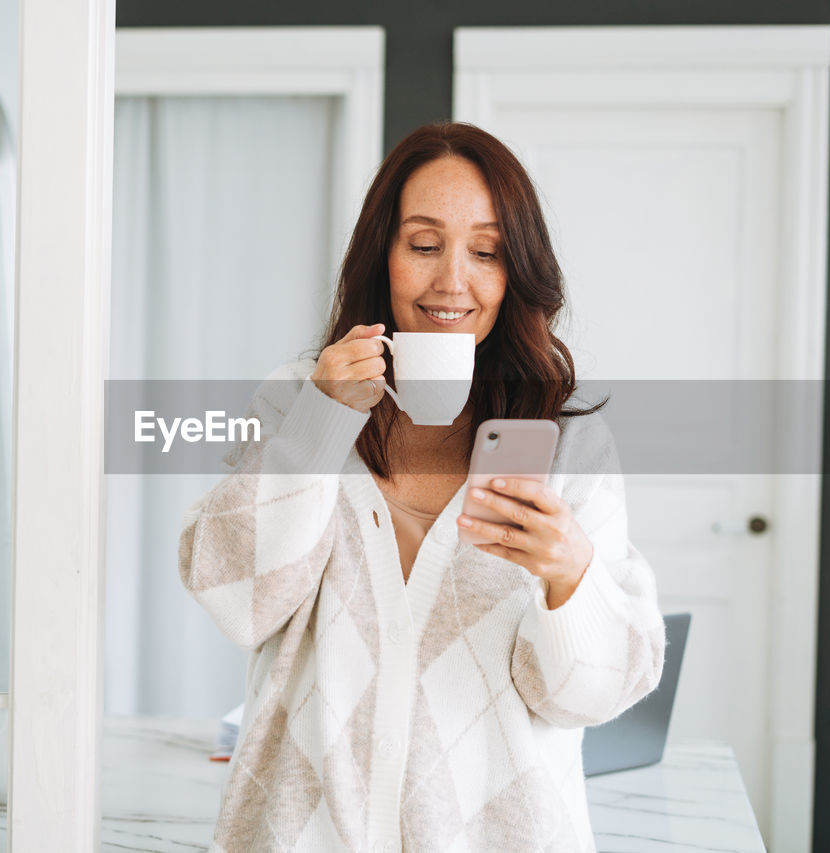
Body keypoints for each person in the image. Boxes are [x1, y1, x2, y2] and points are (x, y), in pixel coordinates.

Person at [178, 122, 665, 853]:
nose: (452, 282)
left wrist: (571, 573)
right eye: (425, 244)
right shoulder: (295, 400)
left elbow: (582, 698)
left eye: (486, 251)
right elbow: (237, 599)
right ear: (384, 255)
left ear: (515, 270)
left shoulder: (569, 442)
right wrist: (321, 419)